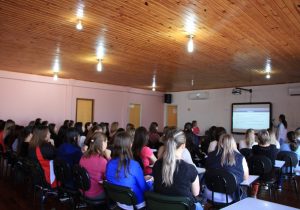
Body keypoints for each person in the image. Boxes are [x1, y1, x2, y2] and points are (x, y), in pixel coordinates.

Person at [153, 129, 203, 210]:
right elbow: (196, 193)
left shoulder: (157, 164)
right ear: (183, 145)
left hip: (160, 206)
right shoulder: (190, 169)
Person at [106, 131, 151, 210]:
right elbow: (144, 188)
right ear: (130, 145)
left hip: (119, 202)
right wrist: (150, 182)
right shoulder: (134, 165)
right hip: (136, 203)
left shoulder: (109, 163)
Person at [205, 134, 249, 203]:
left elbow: (207, 172)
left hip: (210, 193)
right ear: (233, 144)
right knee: (244, 192)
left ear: (220, 144)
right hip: (231, 196)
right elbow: (246, 177)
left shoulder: (210, 156)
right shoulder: (240, 158)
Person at [79, 132, 110, 199]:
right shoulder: (103, 161)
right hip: (95, 194)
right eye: (106, 142)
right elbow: (110, 177)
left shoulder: (83, 156)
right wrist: (109, 157)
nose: (107, 144)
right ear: (102, 143)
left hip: (83, 190)